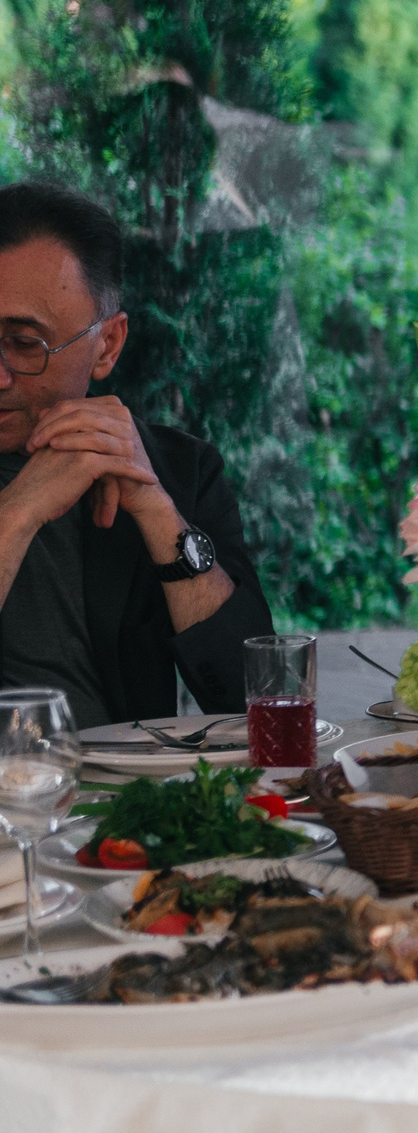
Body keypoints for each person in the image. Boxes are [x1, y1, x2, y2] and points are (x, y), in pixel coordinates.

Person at [0, 183, 274, 728]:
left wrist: (158, 514)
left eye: (24, 343)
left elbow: (255, 702)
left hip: (129, 801)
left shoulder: (175, 469)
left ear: (107, 345)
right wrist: (18, 510)